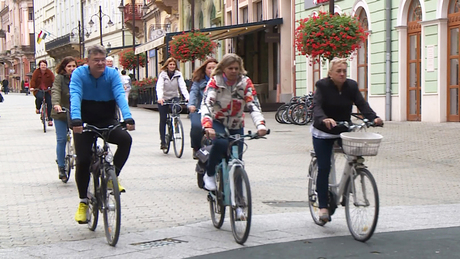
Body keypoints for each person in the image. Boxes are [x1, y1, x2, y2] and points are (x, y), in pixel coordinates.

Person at [311, 57, 383, 223]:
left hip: (343, 130)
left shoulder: (351, 86)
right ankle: (323, 206)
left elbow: (361, 104)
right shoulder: (322, 85)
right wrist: (324, 118)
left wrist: (374, 118)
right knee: (324, 167)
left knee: (355, 155)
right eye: (339, 71)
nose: (342, 74)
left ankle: (347, 185)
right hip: (323, 131)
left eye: (344, 70)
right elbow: (317, 106)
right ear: (330, 73)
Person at [69, 45, 135, 223]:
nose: (100, 63)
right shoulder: (79, 74)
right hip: (84, 119)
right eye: (96, 60)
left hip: (107, 117)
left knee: (125, 140)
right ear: (87, 61)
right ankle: (83, 201)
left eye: (102, 59)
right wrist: (76, 119)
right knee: (83, 160)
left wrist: (128, 117)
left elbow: (120, 95)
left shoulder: (112, 74)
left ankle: (112, 176)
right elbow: (75, 95)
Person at [201, 53, 267, 192]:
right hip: (218, 121)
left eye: (236, 68)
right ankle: (210, 174)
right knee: (220, 143)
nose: (234, 71)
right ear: (223, 68)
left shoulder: (245, 82)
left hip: (236, 124)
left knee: (237, 162)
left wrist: (260, 125)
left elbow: (252, 104)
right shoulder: (215, 81)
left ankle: (239, 203)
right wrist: (208, 125)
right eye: (230, 68)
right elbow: (207, 104)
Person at [51, 56, 77, 182]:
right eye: (69, 66)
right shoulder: (59, 79)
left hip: (76, 114)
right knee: (61, 139)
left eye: (73, 66)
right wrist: (57, 104)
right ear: (64, 68)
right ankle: (61, 167)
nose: (72, 69)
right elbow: (55, 91)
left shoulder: (79, 78)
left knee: (81, 137)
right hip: (61, 113)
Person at [156, 57, 189, 149]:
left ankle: (175, 127)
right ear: (167, 65)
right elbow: (160, 87)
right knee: (163, 119)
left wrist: (187, 97)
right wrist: (160, 98)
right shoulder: (163, 75)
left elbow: (182, 86)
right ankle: (163, 141)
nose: (172, 66)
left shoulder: (178, 74)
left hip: (174, 97)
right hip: (164, 98)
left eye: (174, 65)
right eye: (170, 64)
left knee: (176, 110)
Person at [188, 58, 218, 159]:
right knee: (196, 127)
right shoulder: (199, 81)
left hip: (215, 110)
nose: (212, 70)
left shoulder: (222, 80)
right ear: (205, 70)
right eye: (209, 68)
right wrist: (191, 105)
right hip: (199, 109)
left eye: (214, 67)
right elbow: (193, 92)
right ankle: (196, 148)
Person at [30, 60, 55, 126]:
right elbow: (33, 80)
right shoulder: (36, 72)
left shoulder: (49, 72)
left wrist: (54, 87)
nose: (43, 66)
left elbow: (53, 80)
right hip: (39, 89)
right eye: (42, 65)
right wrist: (32, 87)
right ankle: (38, 108)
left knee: (49, 103)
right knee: (39, 97)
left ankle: (50, 119)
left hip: (47, 90)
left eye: (44, 65)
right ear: (39, 66)